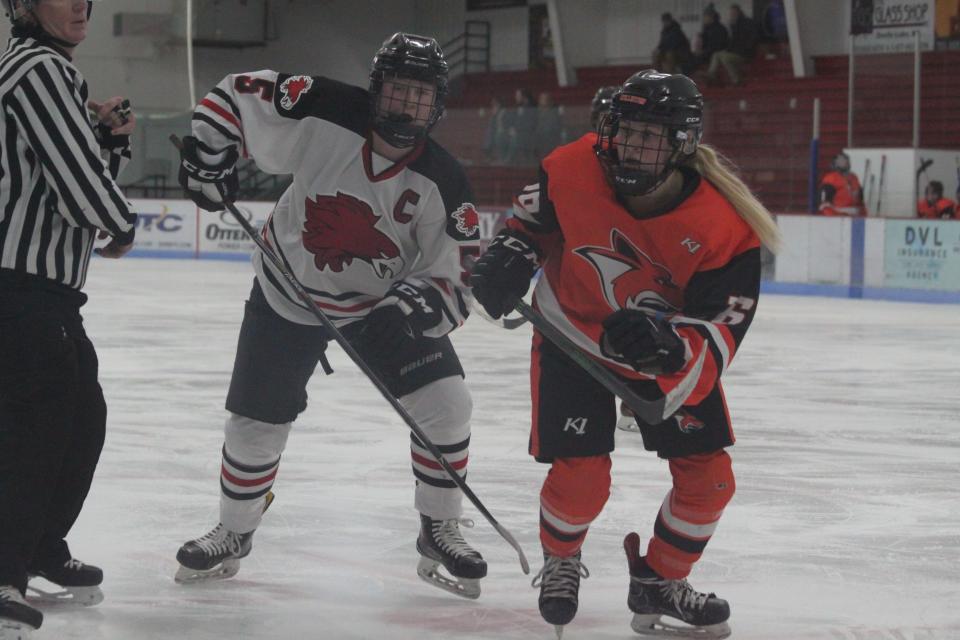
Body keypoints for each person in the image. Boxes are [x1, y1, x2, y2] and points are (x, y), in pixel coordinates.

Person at [172, 32, 488, 600]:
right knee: (256, 422)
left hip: (376, 309)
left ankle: (438, 526)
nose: (405, 107)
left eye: (419, 97)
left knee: (447, 406)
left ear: (436, 106)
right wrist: (210, 153)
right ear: (376, 90)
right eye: (396, 92)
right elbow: (236, 95)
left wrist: (416, 303)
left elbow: (457, 274)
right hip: (287, 289)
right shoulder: (324, 107)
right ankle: (235, 530)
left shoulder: (445, 181)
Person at [471, 70, 780, 637]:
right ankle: (561, 559)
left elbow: (717, 338)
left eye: (651, 136)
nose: (632, 146)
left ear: (682, 144)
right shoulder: (569, 166)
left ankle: (659, 580)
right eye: (625, 131)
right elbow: (532, 226)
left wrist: (666, 348)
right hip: (573, 334)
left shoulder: (725, 229)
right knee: (582, 477)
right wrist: (513, 250)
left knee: (710, 479)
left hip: (662, 354)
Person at [0, 0, 137, 635]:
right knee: (40, 428)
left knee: (82, 416)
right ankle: (6, 566)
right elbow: (79, 185)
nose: (80, 3)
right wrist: (121, 223)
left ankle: (37, 546)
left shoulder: (43, 72)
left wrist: (108, 141)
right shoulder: (39, 70)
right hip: (19, 288)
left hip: (46, 294)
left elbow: (73, 180)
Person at [706, 4, 759, 86]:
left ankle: (737, 80)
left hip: (744, 53)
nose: (731, 15)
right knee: (716, 54)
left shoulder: (747, 24)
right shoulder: (735, 25)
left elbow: (749, 41)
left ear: (738, 13)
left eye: (733, 13)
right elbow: (732, 43)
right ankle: (711, 75)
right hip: (736, 52)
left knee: (725, 57)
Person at [693, 4, 729, 73]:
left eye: (705, 17)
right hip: (708, 51)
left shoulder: (719, 29)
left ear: (711, 17)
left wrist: (703, 52)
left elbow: (716, 46)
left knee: (695, 59)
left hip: (715, 53)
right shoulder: (707, 29)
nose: (704, 19)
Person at [534, 91, 564, 159]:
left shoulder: (553, 113)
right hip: (539, 136)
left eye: (543, 99)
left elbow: (553, 126)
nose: (540, 101)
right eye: (540, 99)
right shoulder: (538, 112)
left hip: (550, 136)